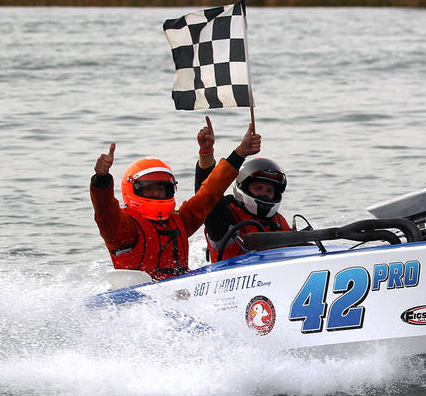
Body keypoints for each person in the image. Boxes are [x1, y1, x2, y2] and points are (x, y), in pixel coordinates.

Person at [90, 120, 261, 280]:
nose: (157, 193)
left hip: (179, 295)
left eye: (162, 188)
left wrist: (240, 153)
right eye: (150, 189)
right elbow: (104, 211)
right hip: (136, 302)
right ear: (133, 190)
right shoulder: (123, 228)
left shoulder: (179, 220)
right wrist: (101, 179)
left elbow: (210, 192)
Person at [194, 117, 291, 262]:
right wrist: (207, 154)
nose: (264, 194)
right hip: (229, 280)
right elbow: (207, 193)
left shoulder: (279, 222)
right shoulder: (225, 218)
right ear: (244, 188)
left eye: (269, 191)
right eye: (258, 188)